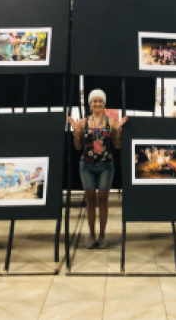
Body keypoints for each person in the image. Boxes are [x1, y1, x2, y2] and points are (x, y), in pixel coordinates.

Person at [67, 89, 128, 249]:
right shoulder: (83, 122)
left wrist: (118, 130)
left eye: (100, 101)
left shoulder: (111, 122)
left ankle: (102, 235)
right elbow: (78, 146)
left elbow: (117, 145)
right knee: (90, 200)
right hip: (86, 165)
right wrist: (76, 133)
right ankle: (91, 235)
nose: (97, 104)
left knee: (103, 199)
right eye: (94, 101)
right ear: (90, 104)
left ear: (104, 103)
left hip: (106, 165)